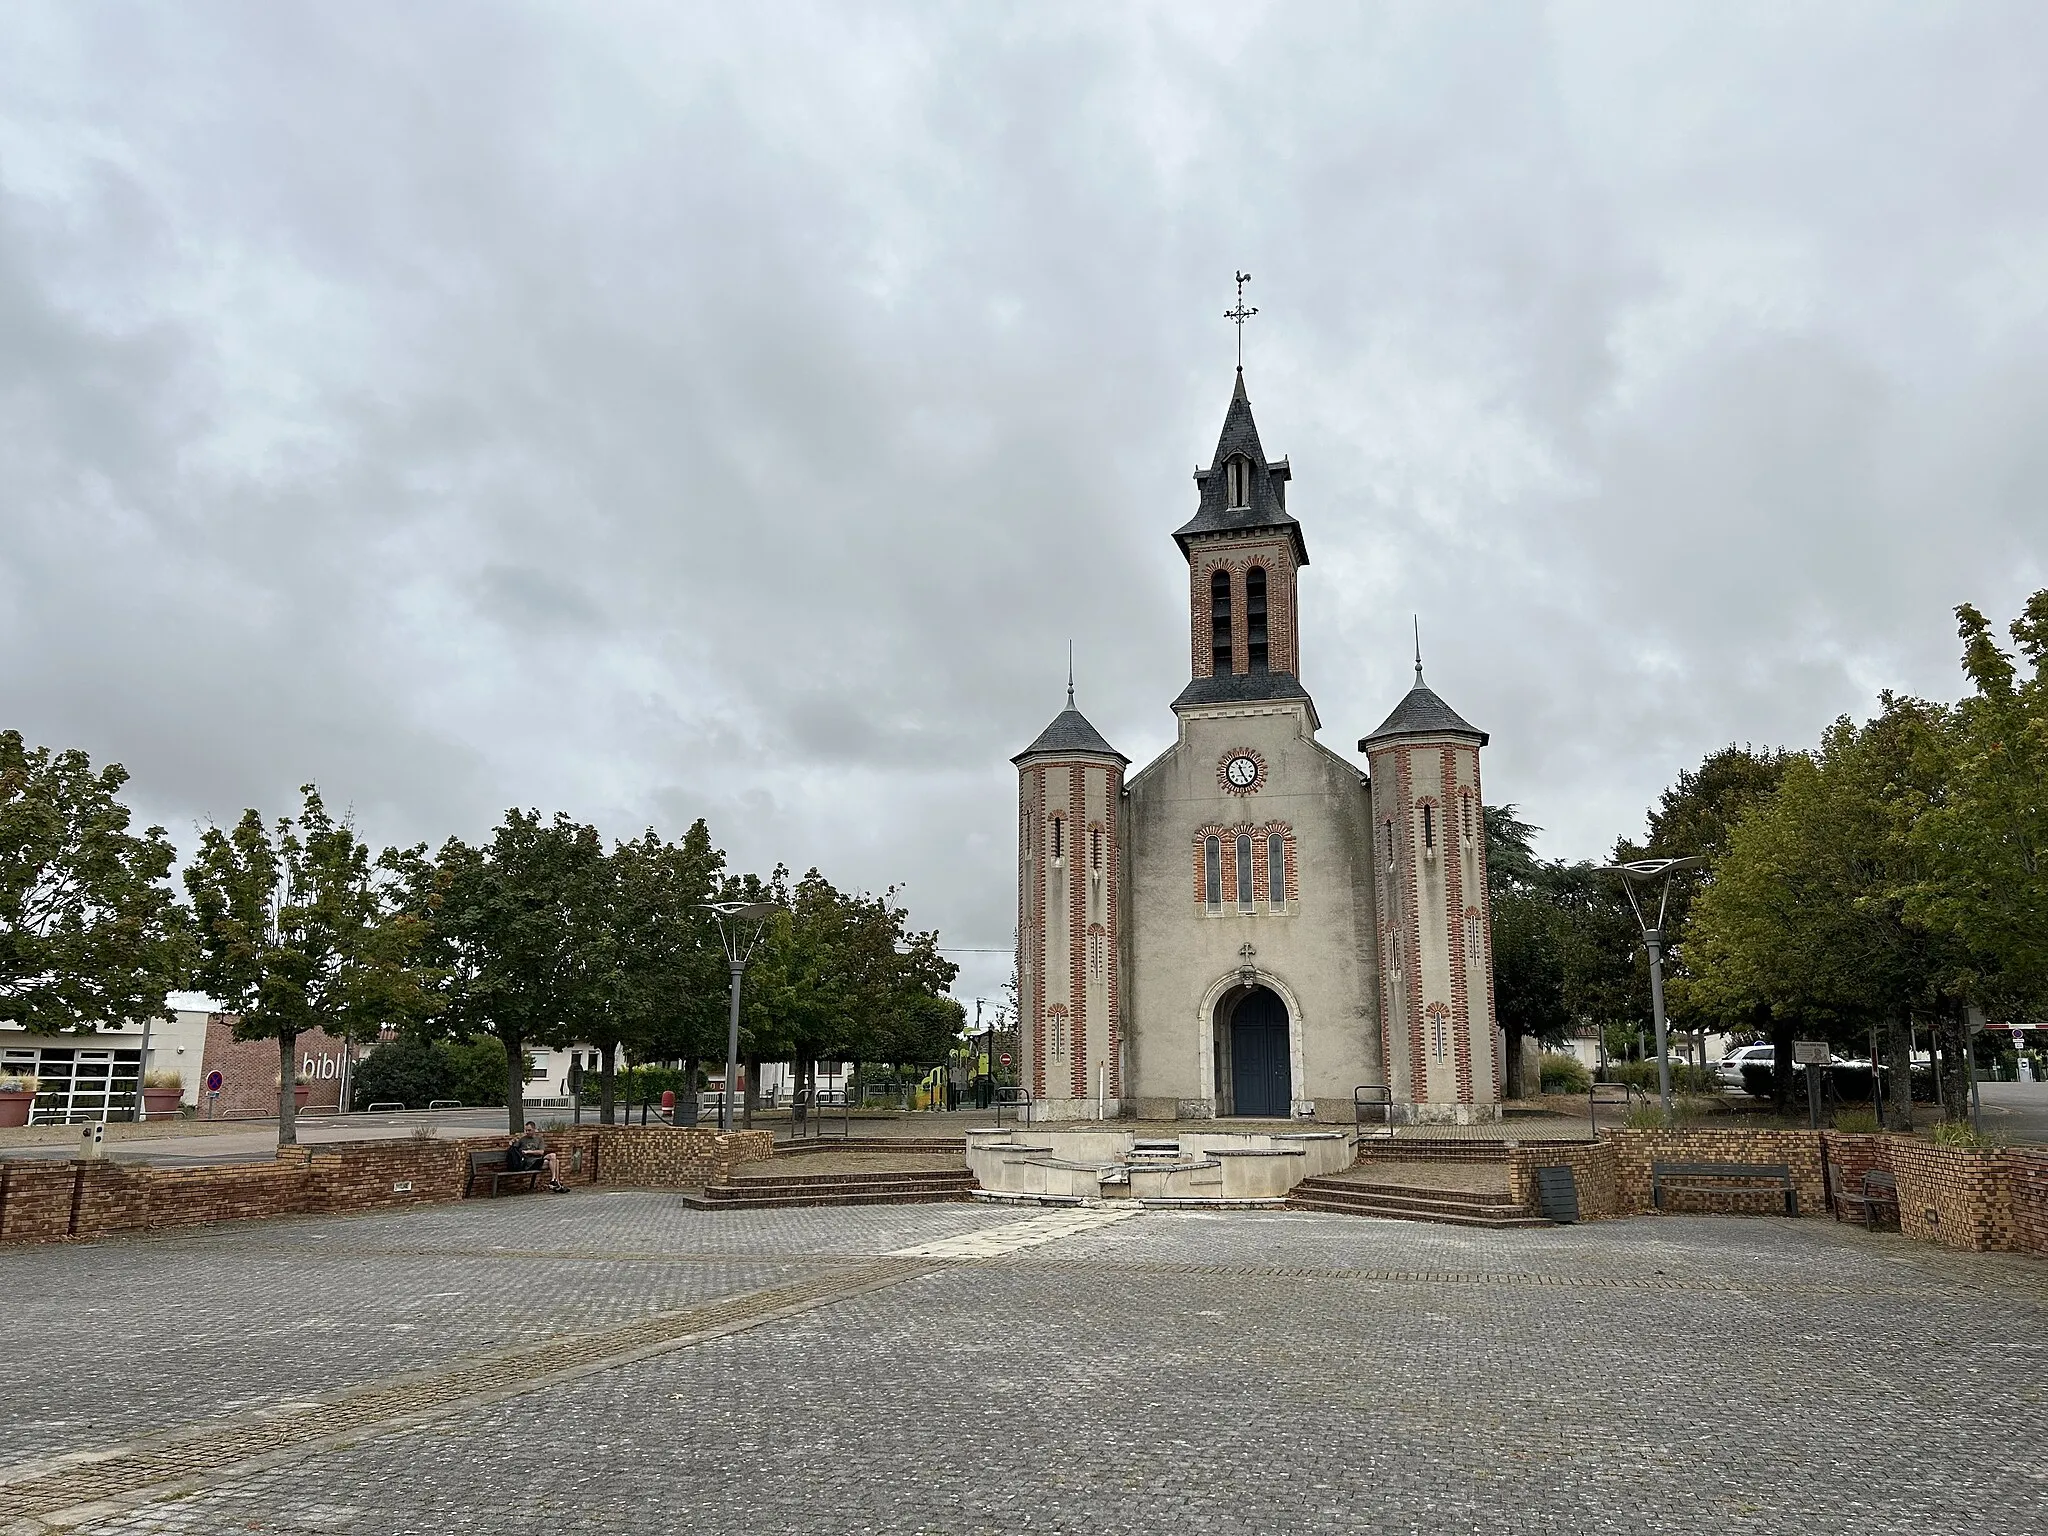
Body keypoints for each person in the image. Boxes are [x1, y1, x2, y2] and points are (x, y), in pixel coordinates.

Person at [509, 1121, 568, 1192]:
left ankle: (553, 1181)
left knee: (553, 1156)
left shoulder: (539, 1139)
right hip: (529, 1162)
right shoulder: (522, 1139)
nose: (527, 1132)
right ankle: (556, 1184)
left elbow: (541, 1152)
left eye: (529, 1130)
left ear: (534, 1129)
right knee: (556, 1161)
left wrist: (528, 1151)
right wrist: (512, 1142)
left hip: (538, 1160)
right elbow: (513, 1149)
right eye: (526, 1130)